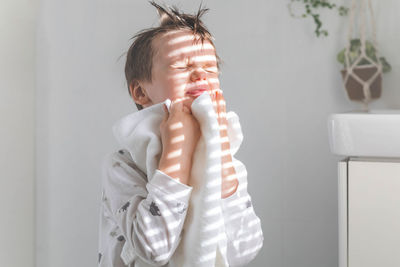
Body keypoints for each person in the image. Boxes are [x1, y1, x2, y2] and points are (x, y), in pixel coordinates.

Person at [98, 1, 264, 266]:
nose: (200, 74)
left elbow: (245, 249)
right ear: (140, 92)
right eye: (181, 67)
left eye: (210, 69)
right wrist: (177, 151)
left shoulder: (227, 162)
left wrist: (220, 156)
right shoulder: (122, 166)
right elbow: (154, 249)